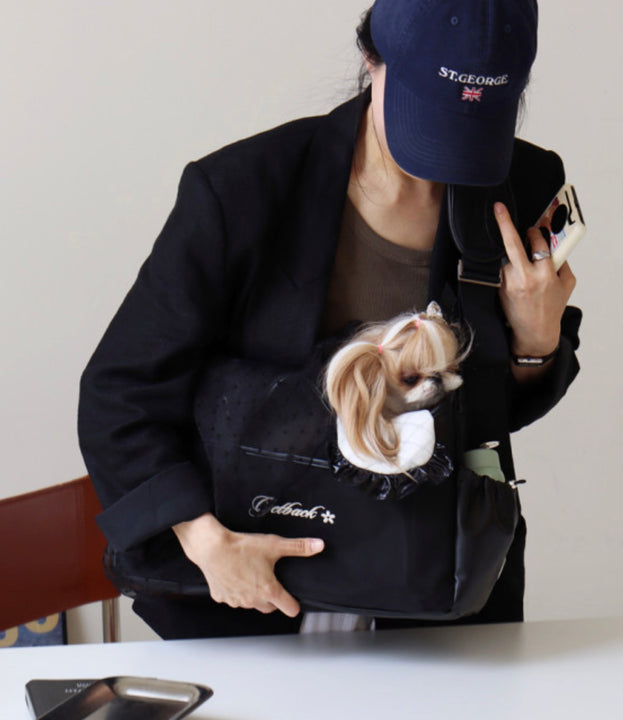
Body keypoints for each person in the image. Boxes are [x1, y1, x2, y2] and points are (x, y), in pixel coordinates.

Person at [78, 0, 581, 640]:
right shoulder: (243, 189)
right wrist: (205, 542)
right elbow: (121, 392)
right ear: (372, 57)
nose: (449, 152)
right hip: (249, 591)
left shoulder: (524, 183)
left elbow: (484, 419)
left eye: (475, 121)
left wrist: (537, 338)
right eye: (429, 112)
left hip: (433, 591)